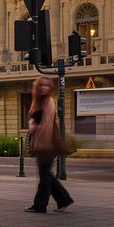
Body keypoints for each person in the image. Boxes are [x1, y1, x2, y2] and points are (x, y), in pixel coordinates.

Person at [25, 76, 73, 213]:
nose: (44, 88)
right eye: (41, 85)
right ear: (37, 87)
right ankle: (64, 200)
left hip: (47, 143)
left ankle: (40, 205)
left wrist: (40, 142)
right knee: (46, 174)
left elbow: (46, 125)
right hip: (42, 142)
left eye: (47, 85)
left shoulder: (49, 101)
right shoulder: (39, 102)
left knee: (44, 175)